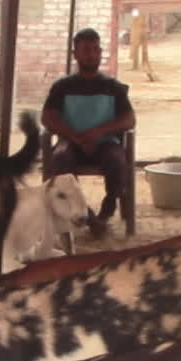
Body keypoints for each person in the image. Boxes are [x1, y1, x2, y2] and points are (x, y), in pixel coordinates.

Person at [41, 27, 136, 232]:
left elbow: (129, 119)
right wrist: (74, 136)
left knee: (118, 162)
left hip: (105, 143)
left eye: (95, 50)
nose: (91, 55)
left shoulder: (113, 87)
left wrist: (99, 132)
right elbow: (47, 118)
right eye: (85, 50)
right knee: (59, 160)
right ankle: (88, 215)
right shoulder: (62, 87)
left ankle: (108, 206)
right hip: (71, 142)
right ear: (75, 54)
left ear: (100, 53)